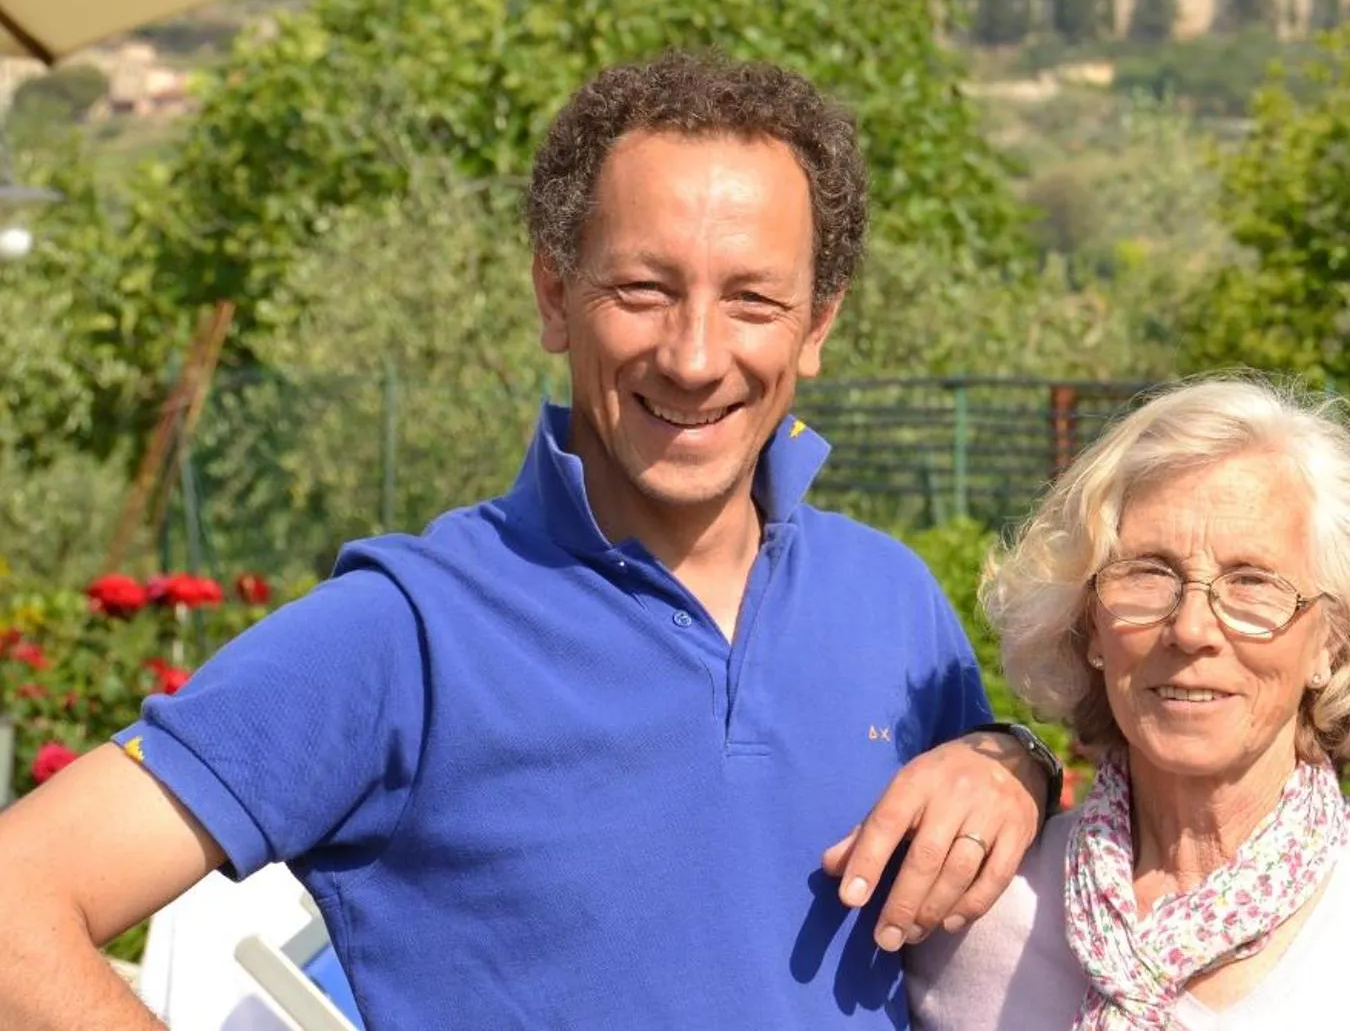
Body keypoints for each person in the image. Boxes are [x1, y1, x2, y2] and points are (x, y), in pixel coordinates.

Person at [0, 51, 1060, 1028]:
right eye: (641, 290)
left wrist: (1015, 761)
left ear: (817, 325)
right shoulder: (409, 632)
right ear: (555, 294)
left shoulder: (892, 599)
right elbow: (16, 907)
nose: (694, 356)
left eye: (752, 300)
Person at [908, 377, 1350, 1031]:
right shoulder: (969, 916)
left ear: (1332, 642)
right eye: (1149, 572)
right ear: (1089, 623)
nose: (1193, 629)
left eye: (1252, 582)